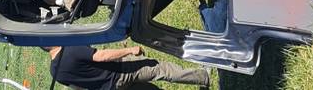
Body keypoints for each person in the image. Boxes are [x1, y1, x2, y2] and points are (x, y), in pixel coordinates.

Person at [45, 44, 210, 89]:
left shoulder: (54, 73)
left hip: (112, 88)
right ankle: (203, 77)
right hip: (122, 72)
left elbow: (77, 88)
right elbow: (101, 56)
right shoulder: (70, 49)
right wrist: (129, 50)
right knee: (161, 69)